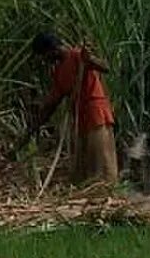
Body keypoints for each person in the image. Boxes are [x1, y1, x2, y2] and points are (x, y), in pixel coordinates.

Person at [28, 32, 118, 184]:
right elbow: (54, 101)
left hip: (95, 113)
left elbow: (105, 67)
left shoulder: (78, 56)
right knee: (84, 163)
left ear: (52, 50)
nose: (45, 61)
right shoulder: (58, 72)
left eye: (45, 56)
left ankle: (107, 191)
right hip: (80, 118)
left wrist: (90, 59)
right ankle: (87, 191)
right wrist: (35, 125)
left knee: (101, 160)